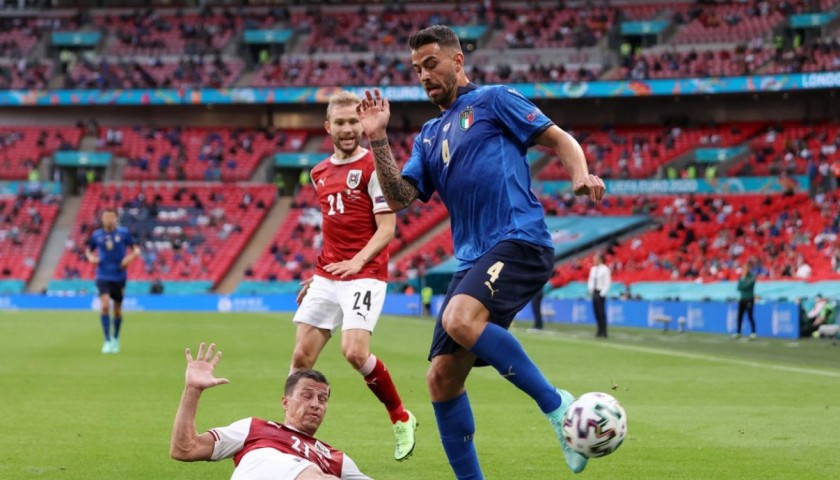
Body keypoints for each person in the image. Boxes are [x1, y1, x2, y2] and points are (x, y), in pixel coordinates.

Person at [355, 25, 606, 479]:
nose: (424, 75)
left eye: (431, 64)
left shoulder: (494, 100)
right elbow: (398, 198)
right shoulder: (429, 135)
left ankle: (558, 408)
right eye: (416, 70)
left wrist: (580, 175)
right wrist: (377, 138)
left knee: (458, 318)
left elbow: (559, 138)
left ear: (457, 61)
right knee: (440, 380)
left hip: (519, 238)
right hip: (473, 258)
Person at [290, 91, 417, 462]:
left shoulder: (373, 167)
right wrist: (321, 276)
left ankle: (400, 415)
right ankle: (292, 438)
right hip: (329, 273)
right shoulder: (318, 173)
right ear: (328, 127)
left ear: (363, 124)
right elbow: (333, 229)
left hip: (366, 273)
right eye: (341, 122)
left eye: (354, 122)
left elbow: (387, 229)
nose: (348, 129)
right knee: (300, 357)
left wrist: (356, 263)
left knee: (354, 351)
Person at [170, 343, 372, 480]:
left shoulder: (335, 458)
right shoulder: (254, 427)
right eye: (307, 395)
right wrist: (193, 390)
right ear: (285, 402)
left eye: (322, 399)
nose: (315, 404)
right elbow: (185, 449)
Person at [85, 208, 139, 354]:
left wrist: (129, 258)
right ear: (102, 219)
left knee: (117, 309)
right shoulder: (97, 235)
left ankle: (116, 338)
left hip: (119, 276)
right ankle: (107, 340)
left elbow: (136, 249)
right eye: (106, 217)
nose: (109, 219)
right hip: (102, 275)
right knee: (104, 305)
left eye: (111, 217)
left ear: (116, 218)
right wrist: (91, 258)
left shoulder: (123, 233)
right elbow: (88, 250)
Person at [587, 254, 611, 338]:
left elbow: (607, 283)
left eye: (596, 259)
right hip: (594, 292)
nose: (594, 261)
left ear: (600, 260)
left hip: (600, 292)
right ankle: (599, 330)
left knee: (601, 313)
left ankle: (604, 331)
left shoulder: (605, 269)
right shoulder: (593, 269)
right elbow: (590, 280)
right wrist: (591, 289)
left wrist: (602, 294)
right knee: (596, 312)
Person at [734, 265, 757, 339]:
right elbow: (738, 287)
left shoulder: (752, 277)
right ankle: (738, 332)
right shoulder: (742, 277)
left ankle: (753, 332)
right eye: (744, 269)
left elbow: (747, 285)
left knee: (750, 316)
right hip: (742, 299)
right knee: (739, 316)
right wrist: (743, 282)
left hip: (749, 298)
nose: (745, 270)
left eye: (746, 268)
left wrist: (743, 284)